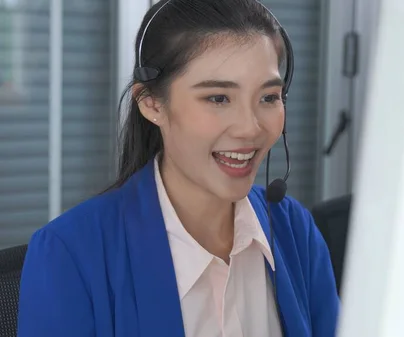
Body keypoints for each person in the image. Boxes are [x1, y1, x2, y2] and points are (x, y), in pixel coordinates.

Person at [17, 0, 339, 336]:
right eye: (218, 98)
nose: (251, 128)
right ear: (151, 102)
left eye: (269, 97)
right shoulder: (70, 254)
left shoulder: (293, 229)